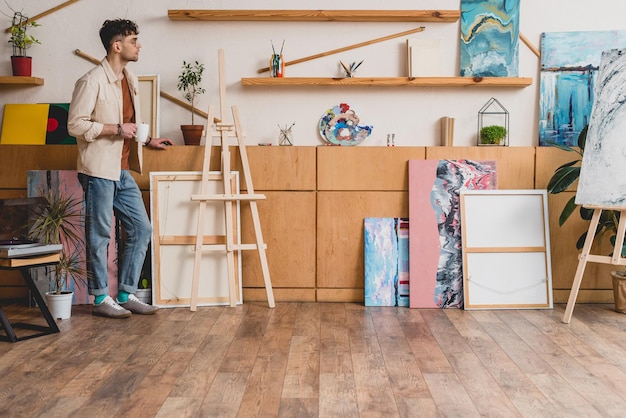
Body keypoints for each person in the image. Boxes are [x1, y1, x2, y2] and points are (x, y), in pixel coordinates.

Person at [68, 19, 173, 318]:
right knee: (100, 234)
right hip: (98, 169)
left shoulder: (131, 80)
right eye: (134, 40)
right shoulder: (91, 81)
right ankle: (101, 298)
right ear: (117, 45)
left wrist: (148, 139)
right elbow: (75, 124)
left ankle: (126, 293)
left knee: (142, 228)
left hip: (123, 169)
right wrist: (116, 128)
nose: (139, 45)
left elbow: (128, 123)